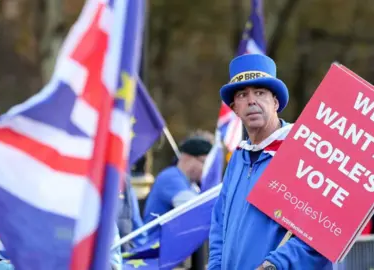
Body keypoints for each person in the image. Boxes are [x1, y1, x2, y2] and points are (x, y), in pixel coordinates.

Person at [208, 54, 332, 270]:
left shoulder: (303, 150)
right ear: (234, 107)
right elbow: (220, 224)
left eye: (260, 93)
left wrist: (275, 265)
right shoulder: (238, 158)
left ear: (275, 102)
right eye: (242, 94)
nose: (252, 100)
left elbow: (323, 230)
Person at [142, 135, 212, 235]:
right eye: (204, 162)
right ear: (187, 158)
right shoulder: (171, 178)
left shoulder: (191, 185)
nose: (207, 169)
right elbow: (196, 210)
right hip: (155, 246)